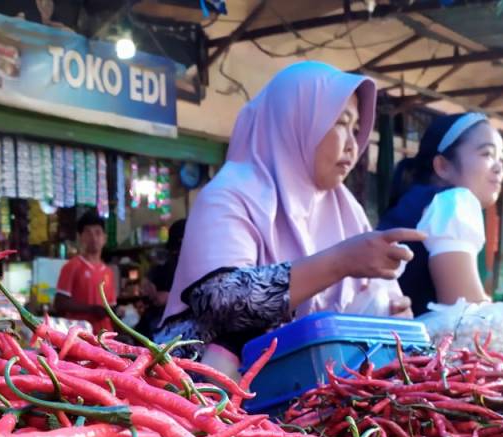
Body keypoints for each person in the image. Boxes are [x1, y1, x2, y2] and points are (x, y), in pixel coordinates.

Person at [156, 62, 424, 380]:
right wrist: (340, 261)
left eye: (356, 129)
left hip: (310, 397)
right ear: (293, 121)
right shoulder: (230, 195)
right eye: (340, 123)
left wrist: (393, 315)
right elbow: (220, 300)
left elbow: (377, 298)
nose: (353, 145)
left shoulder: (346, 210)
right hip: (208, 405)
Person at [378, 112, 503, 317]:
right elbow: (464, 317)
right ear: (443, 166)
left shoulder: (413, 204)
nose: (499, 168)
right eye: (487, 154)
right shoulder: (455, 202)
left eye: (502, 158)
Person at [54, 209, 117, 334]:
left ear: (105, 238)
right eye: (88, 233)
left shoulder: (109, 272)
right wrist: (91, 309)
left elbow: (111, 308)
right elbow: (60, 303)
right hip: (80, 337)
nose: (93, 237)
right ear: (80, 237)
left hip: (105, 336)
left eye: (98, 233)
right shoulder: (71, 266)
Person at [134, 219, 184, 338]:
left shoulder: (191, 264)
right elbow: (149, 287)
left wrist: (170, 298)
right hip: (160, 327)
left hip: (170, 328)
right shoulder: (170, 263)